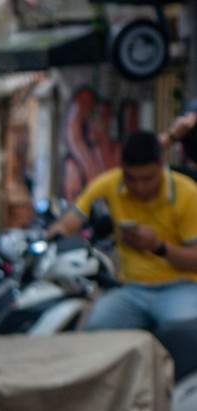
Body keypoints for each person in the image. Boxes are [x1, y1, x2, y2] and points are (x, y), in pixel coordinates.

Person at [51, 129, 197, 377]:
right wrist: (55, 236)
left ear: (162, 166)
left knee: (182, 338)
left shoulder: (188, 193)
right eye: (131, 178)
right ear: (122, 169)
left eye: (148, 178)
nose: (139, 186)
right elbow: (66, 224)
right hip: (132, 290)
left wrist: (158, 248)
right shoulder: (109, 184)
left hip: (180, 286)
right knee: (93, 334)